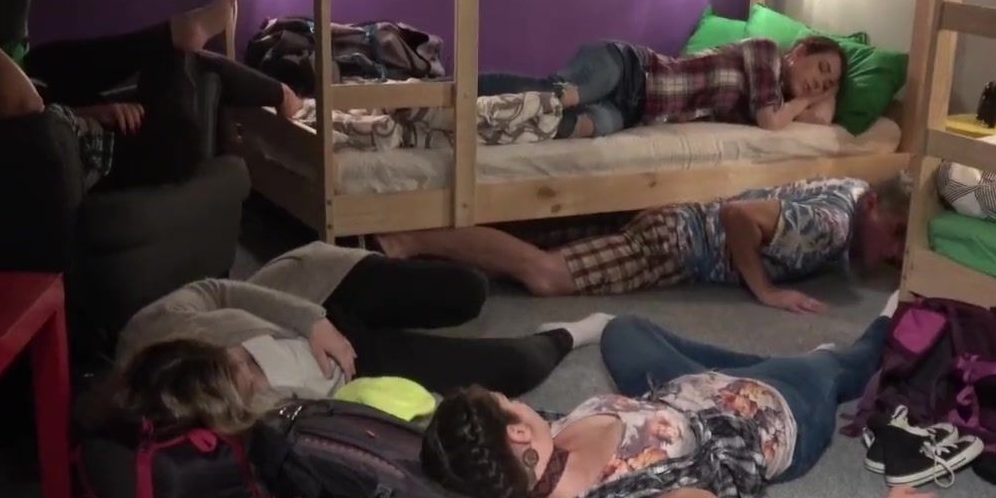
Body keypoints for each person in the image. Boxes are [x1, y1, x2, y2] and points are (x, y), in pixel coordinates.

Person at [421, 313, 939, 498]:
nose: (522, 402)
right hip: (773, 413)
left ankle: (773, 361)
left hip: (680, 389)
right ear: (516, 432)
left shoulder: (538, 458)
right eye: (511, 402)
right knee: (842, 364)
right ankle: (891, 315)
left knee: (622, 330)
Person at [100, 241, 612, 435]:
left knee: (467, 290)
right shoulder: (211, 418)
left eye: (242, 360)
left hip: (312, 294)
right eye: (249, 381)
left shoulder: (151, 328)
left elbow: (217, 288)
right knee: (512, 368)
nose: (254, 368)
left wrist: (312, 321)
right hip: (349, 365)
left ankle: (406, 243)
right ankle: (571, 333)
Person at [0, 0, 300, 190]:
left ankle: (189, 43)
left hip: (73, 118)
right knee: (181, 59)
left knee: (44, 61)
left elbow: (38, 114)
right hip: (139, 147)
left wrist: (92, 110)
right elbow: (27, 112)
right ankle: (274, 90)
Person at [378, 175, 910, 314]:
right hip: (679, 245)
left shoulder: (849, 186)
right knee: (546, 276)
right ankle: (410, 234)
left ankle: (422, 245)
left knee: (531, 247)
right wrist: (766, 290)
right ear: (872, 206)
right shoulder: (832, 224)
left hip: (676, 218)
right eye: (897, 232)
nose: (893, 253)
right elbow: (740, 216)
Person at [476, 35, 845, 140]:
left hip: (633, 112)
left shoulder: (774, 100)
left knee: (565, 126)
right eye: (822, 69)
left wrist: (823, 95)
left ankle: (476, 123)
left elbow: (822, 121)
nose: (819, 82)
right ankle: (461, 93)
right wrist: (807, 98)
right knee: (556, 96)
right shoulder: (766, 53)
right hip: (632, 69)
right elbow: (771, 122)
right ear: (801, 51)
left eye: (826, 83)